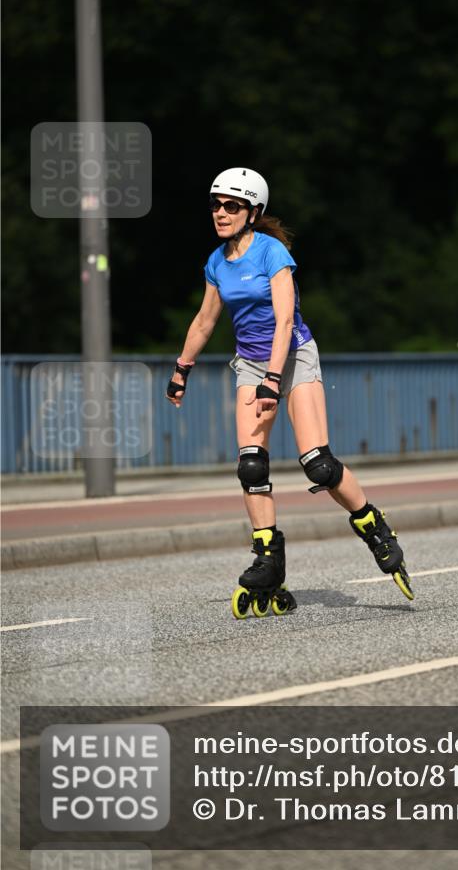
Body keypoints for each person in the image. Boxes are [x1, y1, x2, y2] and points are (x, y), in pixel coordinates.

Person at [166, 167, 413, 616]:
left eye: (232, 206)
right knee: (251, 465)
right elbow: (204, 321)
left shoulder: (271, 252)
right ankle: (268, 561)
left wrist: (273, 379)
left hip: (294, 356)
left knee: (318, 464)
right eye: (216, 204)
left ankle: (374, 526)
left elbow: (284, 321)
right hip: (250, 362)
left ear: (252, 212)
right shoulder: (217, 262)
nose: (221, 212)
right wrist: (182, 368)